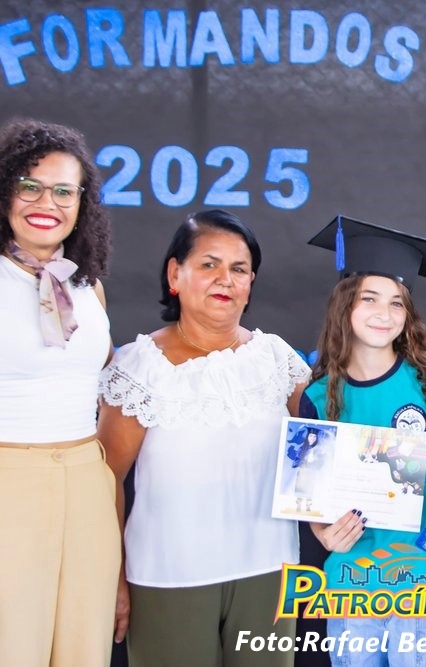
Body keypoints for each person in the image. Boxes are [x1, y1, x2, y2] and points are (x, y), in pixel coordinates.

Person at [0, 118, 118, 666]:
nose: (47, 203)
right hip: (4, 494)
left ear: (81, 203)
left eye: (64, 191)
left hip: (89, 491)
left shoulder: (90, 290)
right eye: (29, 186)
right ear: (1, 192)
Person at [96, 209, 310, 667]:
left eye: (239, 269)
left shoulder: (277, 360)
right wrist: (112, 577)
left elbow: (318, 452)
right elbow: (104, 479)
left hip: (269, 571)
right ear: (175, 274)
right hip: (168, 577)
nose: (225, 280)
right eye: (209, 264)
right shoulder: (139, 367)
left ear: (251, 283)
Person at [303, 217, 426, 667]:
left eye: (397, 303)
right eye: (369, 299)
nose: (384, 314)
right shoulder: (316, 397)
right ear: (344, 304)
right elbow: (310, 503)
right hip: (353, 582)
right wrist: (325, 534)